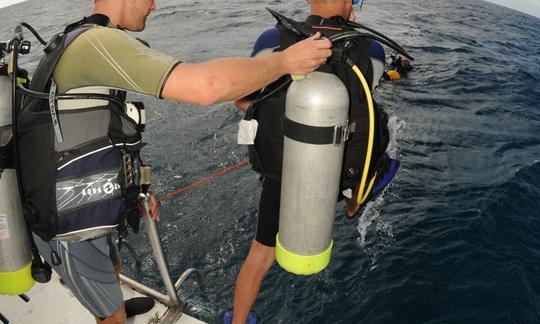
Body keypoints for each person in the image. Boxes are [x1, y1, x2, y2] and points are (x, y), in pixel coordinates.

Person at [16, 0, 332, 323]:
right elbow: (206, 87)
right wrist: (285, 61)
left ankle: (114, 305)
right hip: (69, 226)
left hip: (91, 206)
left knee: (113, 270)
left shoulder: (88, 38)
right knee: (110, 317)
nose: (154, 7)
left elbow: (95, 132)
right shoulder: (95, 43)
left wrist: (133, 185)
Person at [229, 1, 400, 323]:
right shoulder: (373, 50)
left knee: (260, 254)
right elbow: (364, 101)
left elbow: (243, 99)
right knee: (378, 145)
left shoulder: (271, 40)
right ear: (352, 3)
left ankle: (238, 321)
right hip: (342, 171)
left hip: (284, 171)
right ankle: (354, 202)